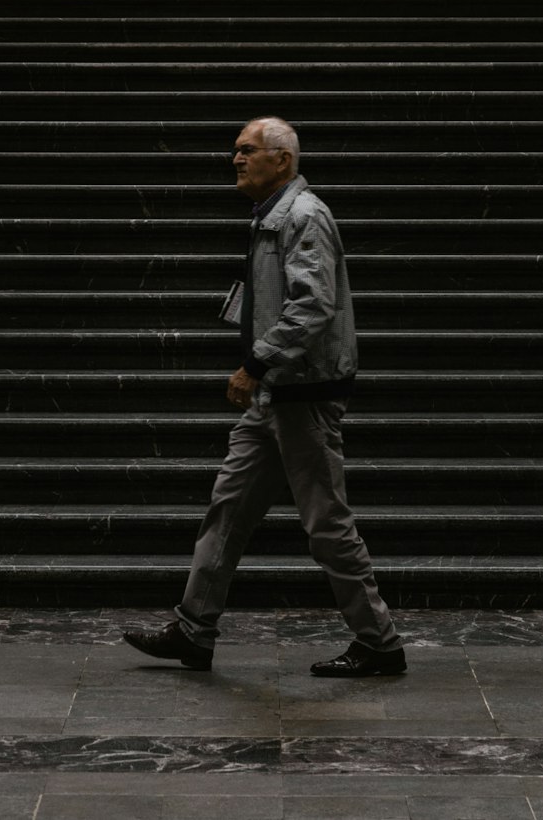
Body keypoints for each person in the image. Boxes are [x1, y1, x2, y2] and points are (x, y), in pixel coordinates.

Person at [123, 117, 405, 678]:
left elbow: (313, 305)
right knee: (227, 508)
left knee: (327, 524)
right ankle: (193, 629)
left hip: (301, 395)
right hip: (276, 396)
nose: (236, 159)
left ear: (283, 160)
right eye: (236, 150)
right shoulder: (270, 218)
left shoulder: (303, 216)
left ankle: (379, 642)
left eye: (247, 150)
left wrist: (256, 363)